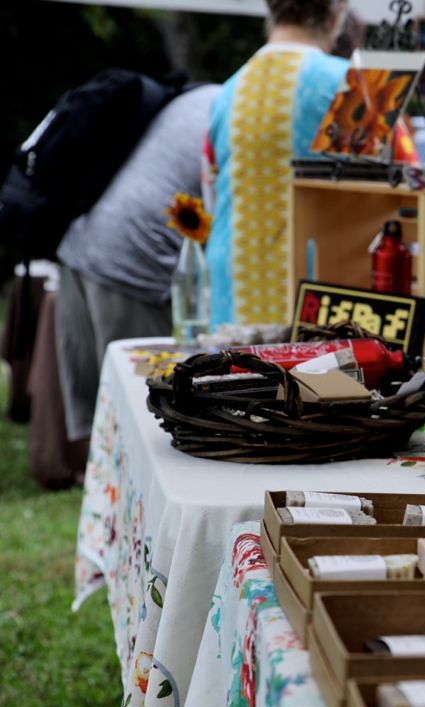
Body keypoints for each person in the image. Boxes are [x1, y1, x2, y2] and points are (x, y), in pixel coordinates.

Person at [55, 84, 220, 443]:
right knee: (139, 413)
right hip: (133, 259)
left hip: (81, 238)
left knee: (100, 410)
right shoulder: (234, 112)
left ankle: (92, 473)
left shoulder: (196, 97)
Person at [205, 0, 349, 328]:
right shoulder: (349, 84)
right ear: (337, 13)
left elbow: (210, 183)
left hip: (235, 284)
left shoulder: (228, 91)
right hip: (319, 284)